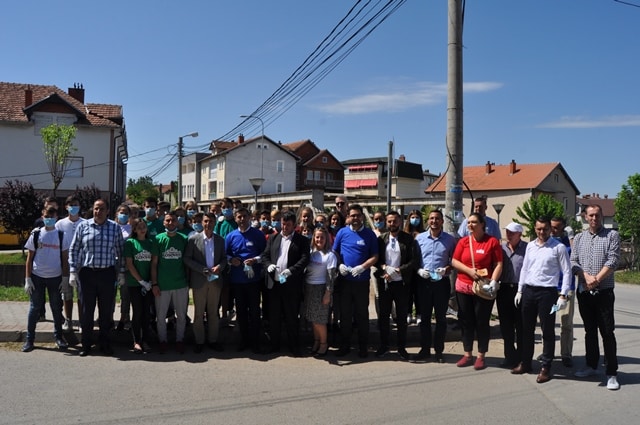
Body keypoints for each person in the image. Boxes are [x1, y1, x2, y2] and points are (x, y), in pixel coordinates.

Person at [511, 217, 572, 384]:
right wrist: (520, 290)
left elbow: (567, 272)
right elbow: (525, 268)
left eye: (545, 229)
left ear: (550, 229)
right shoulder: (530, 246)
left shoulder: (558, 247)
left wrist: (563, 294)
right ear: (534, 228)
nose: (541, 232)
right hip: (529, 292)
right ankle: (526, 362)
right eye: (538, 229)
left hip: (548, 294)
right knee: (526, 330)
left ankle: (546, 367)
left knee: (547, 331)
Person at [571, 204, 621, 390]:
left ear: (601, 216)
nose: (594, 218)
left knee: (607, 332)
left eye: (597, 215)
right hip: (584, 292)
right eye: (591, 215)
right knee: (589, 331)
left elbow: (613, 260)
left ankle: (612, 373)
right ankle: (591, 366)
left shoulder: (611, 236)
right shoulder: (579, 237)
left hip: (604, 292)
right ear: (585, 217)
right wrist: (585, 277)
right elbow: (573, 261)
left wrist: (596, 279)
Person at [69, 199, 125, 357]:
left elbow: (121, 251)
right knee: (87, 311)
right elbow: (74, 248)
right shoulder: (83, 226)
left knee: (106, 312)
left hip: (107, 274)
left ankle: (105, 343)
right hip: (87, 274)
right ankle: (86, 344)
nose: (98, 212)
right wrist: (73, 271)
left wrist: (121, 272)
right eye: (95, 209)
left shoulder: (114, 228)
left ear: (108, 211)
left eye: (101, 209)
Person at [451, 212, 503, 370]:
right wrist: (469, 271)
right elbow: (454, 261)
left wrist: (493, 281)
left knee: (482, 321)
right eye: (468, 223)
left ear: (482, 224)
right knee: (466, 322)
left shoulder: (492, 242)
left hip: (483, 288)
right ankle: (467, 354)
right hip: (464, 287)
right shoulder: (464, 242)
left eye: (474, 222)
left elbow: (499, 263)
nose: (470, 225)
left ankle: (481, 355)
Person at [332, 204, 379, 358]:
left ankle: (363, 347)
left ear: (362, 217)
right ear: (348, 217)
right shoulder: (342, 232)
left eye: (358, 215)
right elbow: (334, 252)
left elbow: (375, 256)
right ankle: (345, 346)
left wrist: (363, 267)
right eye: (353, 215)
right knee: (345, 315)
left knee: (361, 315)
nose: (356, 218)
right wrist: (340, 265)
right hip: (345, 281)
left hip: (361, 281)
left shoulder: (369, 234)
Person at [22, 206, 70, 352]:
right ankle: (29, 340)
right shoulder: (36, 235)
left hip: (55, 278)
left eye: (52, 215)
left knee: (56, 308)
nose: (49, 218)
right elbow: (29, 259)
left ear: (56, 217)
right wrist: (27, 279)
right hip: (37, 277)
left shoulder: (61, 235)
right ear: (42, 217)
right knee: (34, 308)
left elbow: (64, 259)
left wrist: (65, 279)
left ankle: (59, 338)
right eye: (46, 215)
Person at [262, 209, 310, 356]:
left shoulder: (301, 240)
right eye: (283, 224)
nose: (284, 227)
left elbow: (305, 258)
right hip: (275, 284)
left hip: (291, 286)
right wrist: (268, 265)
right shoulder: (273, 238)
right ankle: (274, 345)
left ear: (294, 225)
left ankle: (294, 346)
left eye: (288, 225)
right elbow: (265, 255)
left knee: (291, 317)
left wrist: (291, 270)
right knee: (274, 317)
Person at [413, 209, 456, 363]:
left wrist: (447, 269)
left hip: (441, 283)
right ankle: (424, 350)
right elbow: (414, 260)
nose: (434, 221)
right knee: (424, 319)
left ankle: (439, 351)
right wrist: (418, 270)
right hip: (424, 283)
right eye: (431, 218)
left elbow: (454, 261)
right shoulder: (419, 238)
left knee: (441, 320)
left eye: (437, 218)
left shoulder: (450, 240)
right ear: (428, 221)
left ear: (442, 221)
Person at [374, 211, 416, 360]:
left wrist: (399, 270)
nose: (392, 224)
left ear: (400, 221)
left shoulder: (408, 239)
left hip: (402, 283)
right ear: (387, 223)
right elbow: (376, 259)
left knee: (402, 316)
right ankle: (384, 346)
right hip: (385, 282)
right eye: (390, 221)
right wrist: (384, 268)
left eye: (395, 221)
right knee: (384, 316)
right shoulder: (381, 239)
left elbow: (413, 260)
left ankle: (401, 347)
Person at [184, 212, 227, 353]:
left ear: (215, 223)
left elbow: (224, 259)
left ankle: (213, 340)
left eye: (211, 221)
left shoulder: (220, 240)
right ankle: (199, 341)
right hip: (199, 280)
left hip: (215, 281)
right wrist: (201, 269)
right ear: (202, 223)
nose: (208, 224)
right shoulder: (193, 239)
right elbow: (187, 259)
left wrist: (219, 267)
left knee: (213, 313)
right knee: (199, 313)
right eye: (206, 221)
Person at [225, 207, 266, 353]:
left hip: (254, 281)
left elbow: (265, 254)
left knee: (254, 312)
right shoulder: (231, 236)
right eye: (239, 217)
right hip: (237, 281)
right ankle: (244, 340)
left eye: (244, 216)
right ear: (235, 219)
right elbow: (226, 255)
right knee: (241, 312)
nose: (242, 219)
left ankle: (255, 342)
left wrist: (255, 259)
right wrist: (231, 260)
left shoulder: (258, 234)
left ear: (249, 217)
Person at [150, 211, 189, 354]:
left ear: (177, 222)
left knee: (181, 315)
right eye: (167, 221)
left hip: (180, 284)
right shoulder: (158, 239)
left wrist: (187, 282)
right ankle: (163, 341)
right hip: (162, 285)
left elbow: (187, 262)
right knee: (161, 316)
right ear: (164, 222)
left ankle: (179, 340)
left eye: (173, 220)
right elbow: (154, 263)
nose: (170, 223)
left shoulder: (184, 239)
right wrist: (154, 283)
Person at [497, 222, 527, 368]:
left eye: (512, 232)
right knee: (506, 325)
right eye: (507, 232)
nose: (508, 235)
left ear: (519, 234)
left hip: (520, 290)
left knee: (521, 325)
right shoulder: (501, 248)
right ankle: (509, 356)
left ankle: (521, 357)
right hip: (503, 289)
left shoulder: (527, 248)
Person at [303, 227, 337, 358]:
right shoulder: (311, 252)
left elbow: (331, 277)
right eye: (317, 237)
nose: (319, 240)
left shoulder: (330, 255)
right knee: (313, 319)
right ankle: (316, 341)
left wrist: (328, 293)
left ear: (326, 239)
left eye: (322, 237)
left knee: (320, 321)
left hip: (321, 289)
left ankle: (324, 344)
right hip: (309, 288)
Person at [123, 218, 154, 353]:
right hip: (135, 284)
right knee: (137, 312)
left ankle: (146, 340)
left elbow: (154, 264)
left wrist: (151, 282)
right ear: (134, 229)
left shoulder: (151, 243)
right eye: (139, 227)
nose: (142, 229)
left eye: (144, 226)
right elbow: (130, 264)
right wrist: (141, 281)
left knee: (147, 314)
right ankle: (136, 341)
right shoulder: (130, 243)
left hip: (149, 284)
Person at [55, 195, 84, 332]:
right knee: (67, 295)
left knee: (81, 295)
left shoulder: (85, 223)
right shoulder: (60, 224)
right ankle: (68, 320)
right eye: (71, 204)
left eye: (76, 204)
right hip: (65, 266)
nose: (73, 207)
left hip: (82, 265)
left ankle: (81, 320)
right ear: (66, 207)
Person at [551, 216, 576, 367]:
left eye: (557, 227)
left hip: (566, 289)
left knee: (565, 322)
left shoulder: (569, 242)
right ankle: (549, 352)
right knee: (548, 322)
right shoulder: (548, 242)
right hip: (549, 288)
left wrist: (571, 237)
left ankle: (566, 354)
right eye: (552, 227)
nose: (554, 230)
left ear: (563, 228)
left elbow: (576, 256)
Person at [404, 209, 424, 325]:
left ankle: (419, 314)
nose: (414, 220)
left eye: (417, 217)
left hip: (420, 267)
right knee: (408, 292)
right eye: (412, 217)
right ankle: (408, 313)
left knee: (418, 293)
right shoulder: (404, 234)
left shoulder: (424, 233)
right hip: (407, 267)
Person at [114, 203, 132, 332]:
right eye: (121, 212)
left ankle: (124, 318)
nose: (123, 215)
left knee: (125, 295)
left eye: (126, 213)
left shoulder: (131, 228)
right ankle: (108, 318)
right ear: (116, 214)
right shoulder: (112, 227)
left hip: (127, 267)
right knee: (109, 295)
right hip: (112, 266)